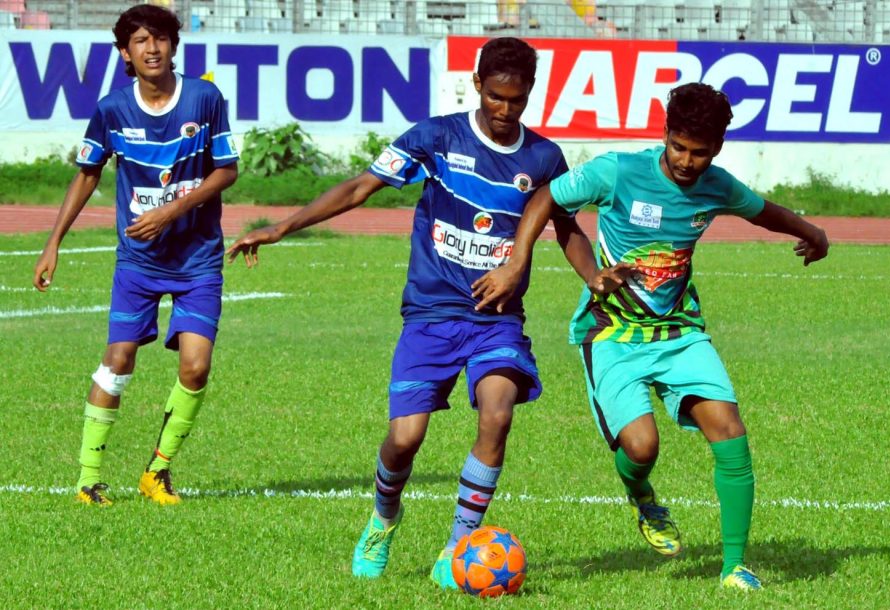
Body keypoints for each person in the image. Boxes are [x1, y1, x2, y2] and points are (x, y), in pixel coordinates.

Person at [226, 37, 595, 588]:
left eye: (516, 100)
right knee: (404, 439)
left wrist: (594, 281)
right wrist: (281, 228)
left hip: (496, 319)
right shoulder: (435, 137)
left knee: (497, 414)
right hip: (429, 314)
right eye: (496, 96)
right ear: (477, 84)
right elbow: (360, 187)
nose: (505, 110)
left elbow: (565, 227)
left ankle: (457, 549)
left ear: (530, 95)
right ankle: (383, 517)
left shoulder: (543, 157)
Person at [472, 82, 829, 591]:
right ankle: (642, 496)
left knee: (729, 429)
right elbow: (549, 196)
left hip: (680, 332)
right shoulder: (621, 171)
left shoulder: (717, 186)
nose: (686, 160)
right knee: (641, 448)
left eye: (699, 152)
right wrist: (518, 259)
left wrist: (811, 233)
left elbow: (763, 210)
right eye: (678, 146)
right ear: (665, 134)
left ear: (717, 149)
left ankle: (733, 567)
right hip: (612, 332)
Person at [32, 4, 239, 507]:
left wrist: (170, 210)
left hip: (197, 260)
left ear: (173, 45)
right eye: (141, 40)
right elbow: (87, 173)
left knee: (195, 367)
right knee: (118, 359)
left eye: (161, 38)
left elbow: (227, 170)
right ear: (125, 52)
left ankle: (157, 473)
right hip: (139, 263)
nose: (152, 48)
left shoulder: (205, 99)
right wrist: (53, 242)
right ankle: (87, 479)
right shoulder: (111, 110)